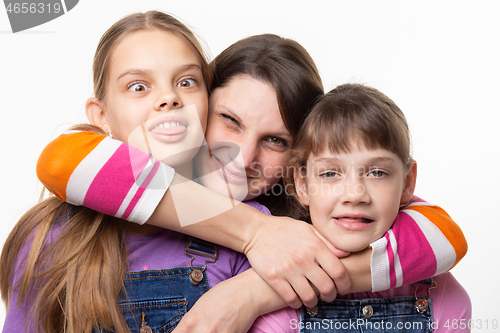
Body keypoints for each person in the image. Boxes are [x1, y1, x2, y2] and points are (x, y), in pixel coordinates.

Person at [33, 32, 467, 333]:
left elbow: (442, 236)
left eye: (275, 140)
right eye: (229, 121)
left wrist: (252, 293)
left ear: (302, 162)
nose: (242, 158)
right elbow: (61, 159)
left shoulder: (308, 229)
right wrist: (254, 231)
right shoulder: (98, 199)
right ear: (197, 104)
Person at [0, 11, 297, 333]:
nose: (168, 97)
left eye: (186, 82)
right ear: (102, 115)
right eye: (138, 86)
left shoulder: (259, 230)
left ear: (206, 102)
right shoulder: (49, 237)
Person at [277, 83, 470, 332]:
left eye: (377, 172)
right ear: (302, 184)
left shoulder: (443, 298)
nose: (355, 194)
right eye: (330, 173)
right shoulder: (280, 298)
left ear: (407, 182)